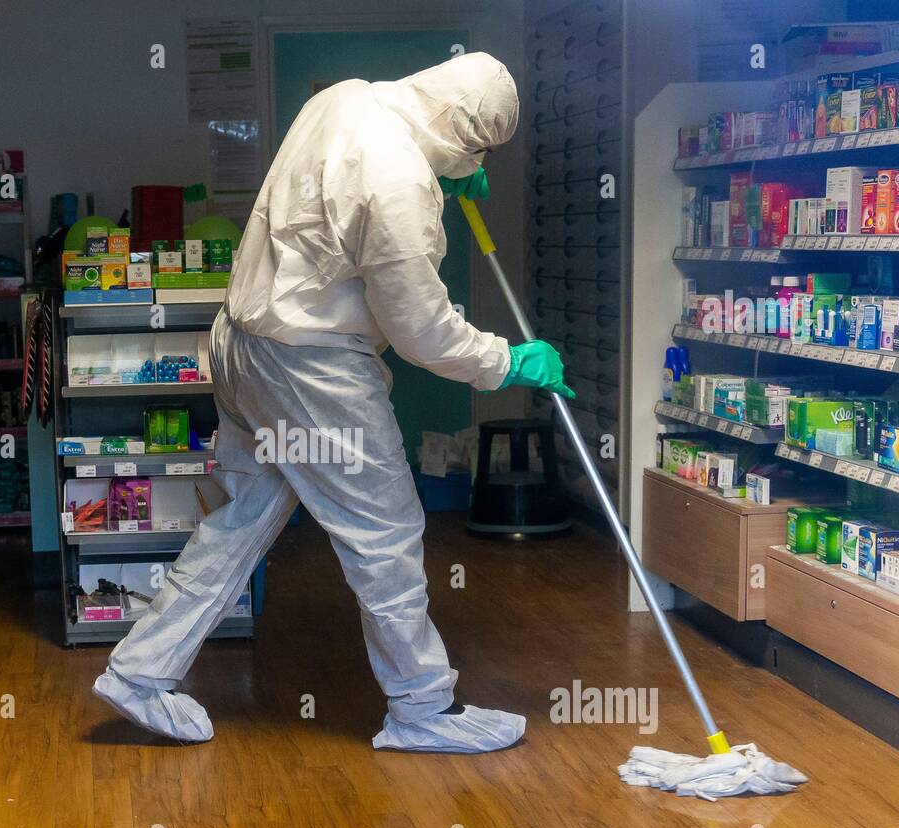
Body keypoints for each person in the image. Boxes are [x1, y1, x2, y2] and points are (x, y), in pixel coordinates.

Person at [94, 52, 573, 753]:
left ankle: (138, 671)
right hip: (309, 366)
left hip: (241, 342)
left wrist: (447, 175)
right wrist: (508, 361)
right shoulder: (402, 181)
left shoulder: (343, 96)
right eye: (477, 149)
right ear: (463, 134)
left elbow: (334, 210)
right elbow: (422, 331)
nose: (475, 162)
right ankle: (420, 705)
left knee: (245, 520)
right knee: (386, 529)